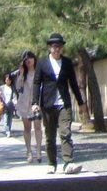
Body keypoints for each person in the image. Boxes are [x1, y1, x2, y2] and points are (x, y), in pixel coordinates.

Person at [32, 32, 85, 174]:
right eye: (54, 46)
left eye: (59, 46)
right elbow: (37, 83)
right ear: (50, 47)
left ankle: (68, 162)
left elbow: (73, 83)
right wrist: (34, 102)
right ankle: (51, 163)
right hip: (47, 103)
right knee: (50, 136)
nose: (57, 49)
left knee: (65, 132)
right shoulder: (42, 63)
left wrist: (80, 102)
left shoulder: (67, 62)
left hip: (64, 103)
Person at [12, 50, 40, 163]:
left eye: (30, 58)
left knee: (38, 127)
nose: (28, 60)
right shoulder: (22, 73)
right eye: (26, 59)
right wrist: (22, 73)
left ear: (34, 59)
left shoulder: (39, 71)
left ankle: (38, 151)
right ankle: (29, 151)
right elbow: (18, 87)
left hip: (36, 102)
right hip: (24, 103)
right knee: (27, 128)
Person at [0, 72, 16, 137]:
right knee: (5, 117)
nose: (8, 81)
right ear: (5, 80)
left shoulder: (13, 88)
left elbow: (14, 96)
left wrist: (15, 103)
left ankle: (9, 130)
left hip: (10, 104)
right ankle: (7, 130)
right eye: (7, 80)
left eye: (9, 80)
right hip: (4, 104)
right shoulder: (1, 87)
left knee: (10, 118)